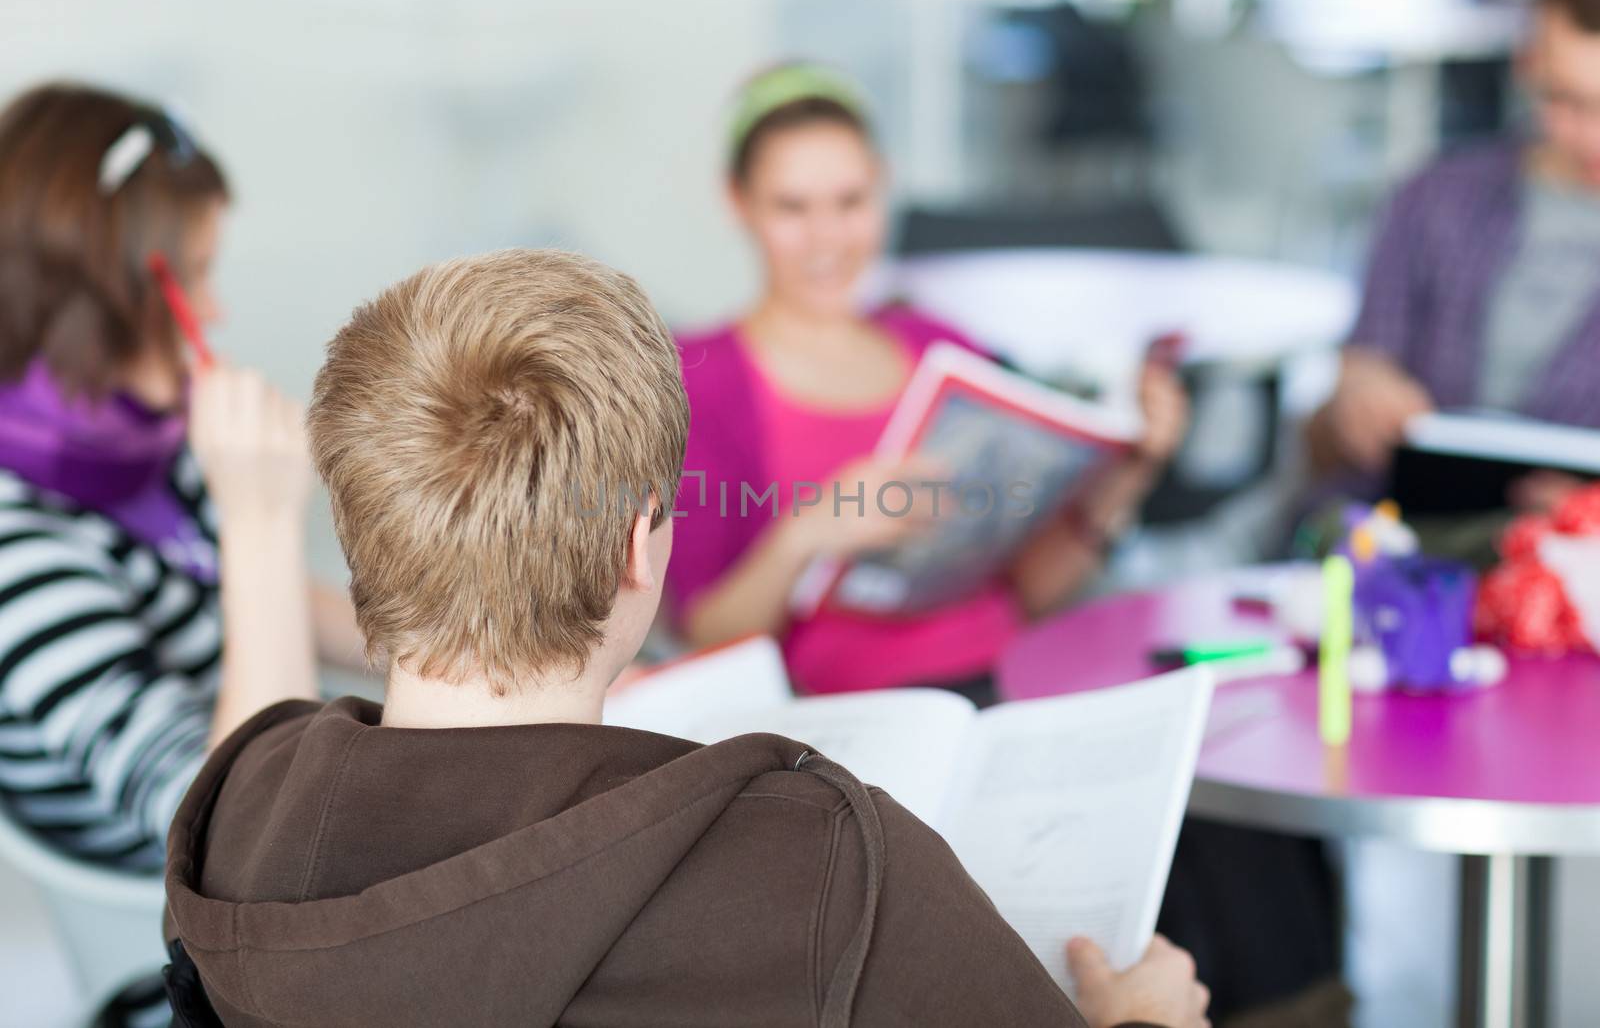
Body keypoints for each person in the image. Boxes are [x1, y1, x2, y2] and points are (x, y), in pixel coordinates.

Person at [163, 248, 1209, 1028]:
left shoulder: (230, 813)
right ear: (638, 548)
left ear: (360, 532)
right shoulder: (822, 859)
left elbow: (260, 731)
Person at [670, 63, 1188, 699]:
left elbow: (1025, 594)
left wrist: (1131, 472)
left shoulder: (938, 346)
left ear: (882, 190)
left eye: (851, 202)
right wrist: (809, 533)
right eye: (791, 207)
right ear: (737, 203)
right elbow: (704, 635)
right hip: (851, 727)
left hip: (1008, 683)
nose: (826, 238)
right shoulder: (701, 378)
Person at [0, 83, 362, 871]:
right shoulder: (18, 557)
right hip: (201, 950)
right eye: (193, 278)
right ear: (92, 306)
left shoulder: (138, 449)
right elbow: (251, 847)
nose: (216, 310)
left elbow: (265, 600)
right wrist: (261, 518)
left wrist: (489, 652)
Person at [1309, 0, 1600, 507]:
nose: (1593, 138)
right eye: (1566, 99)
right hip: (1391, 540)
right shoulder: (1433, 199)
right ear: (1529, 61)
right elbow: (1342, 407)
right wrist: (1360, 396)